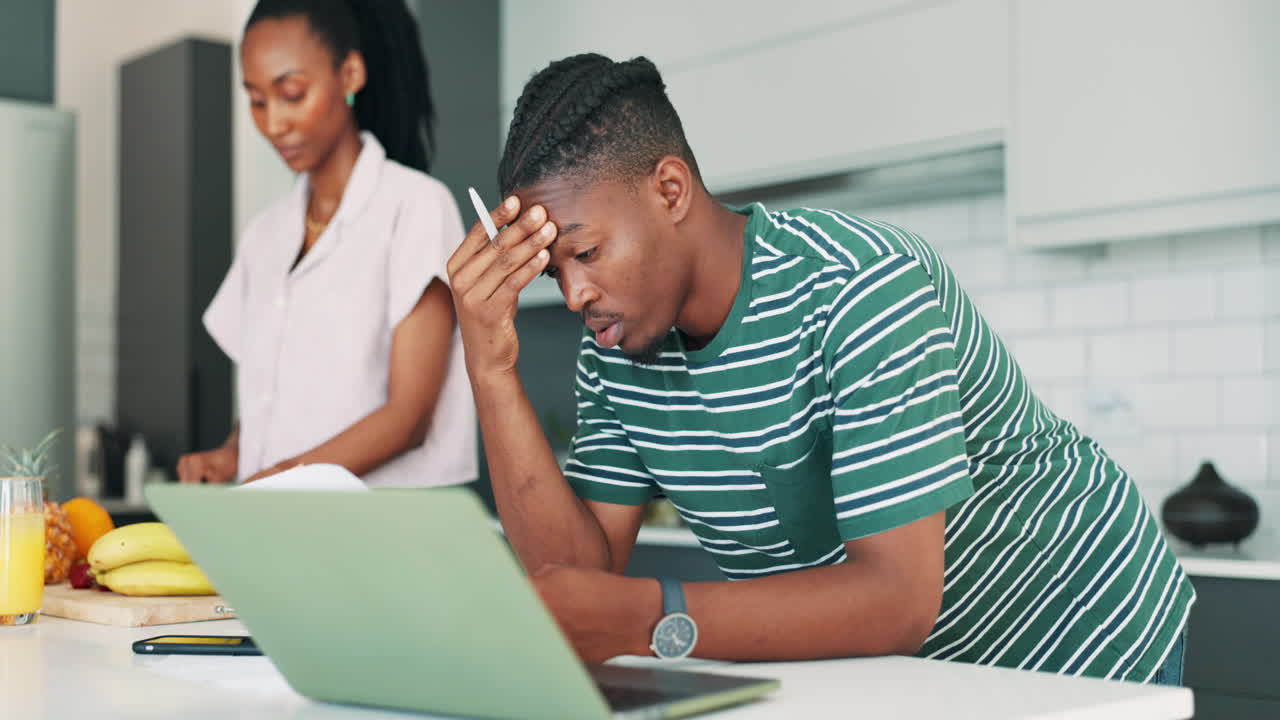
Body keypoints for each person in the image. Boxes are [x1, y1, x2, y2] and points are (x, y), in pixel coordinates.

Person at [447, 53, 1195, 684]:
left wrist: (652, 616)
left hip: (1079, 632)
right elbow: (574, 590)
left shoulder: (863, 286)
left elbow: (897, 600)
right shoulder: (617, 352)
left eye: (585, 253)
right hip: (906, 673)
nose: (575, 293)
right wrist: (489, 365)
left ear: (669, 191)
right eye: (553, 273)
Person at [177, 0, 476, 488]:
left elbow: (410, 416)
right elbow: (270, 398)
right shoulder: (264, 236)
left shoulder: (415, 207)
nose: (273, 123)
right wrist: (232, 455)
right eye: (256, 100)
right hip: (278, 531)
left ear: (351, 74)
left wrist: (281, 479)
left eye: (291, 93)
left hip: (377, 533)